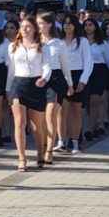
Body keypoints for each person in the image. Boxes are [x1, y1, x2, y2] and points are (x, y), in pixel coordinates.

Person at [6, 17, 52, 171]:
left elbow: (47, 67)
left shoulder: (43, 47)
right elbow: (11, 69)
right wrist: (7, 88)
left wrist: (44, 79)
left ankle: (40, 151)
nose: (25, 30)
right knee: (19, 122)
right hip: (18, 85)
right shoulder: (13, 46)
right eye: (22, 27)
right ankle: (22, 158)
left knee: (36, 126)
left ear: (34, 29)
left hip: (36, 85)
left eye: (28, 27)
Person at [38, 11, 73, 165]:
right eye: (37, 23)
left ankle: (49, 151)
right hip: (38, 79)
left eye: (41, 23)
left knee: (50, 115)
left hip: (56, 79)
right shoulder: (34, 42)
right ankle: (43, 145)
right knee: (41, 119)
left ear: (49, 24)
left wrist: (70, 84)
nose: (38, 26)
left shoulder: (59, 44)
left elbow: (65, 66)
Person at [60, 14, 92, 155]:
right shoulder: (59, 41)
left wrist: (83, 80)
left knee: (75, 110)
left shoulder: (82, 41)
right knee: (62, 109)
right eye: (65, 23)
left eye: (70, 23)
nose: (67, 26)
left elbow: (88, 63)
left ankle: (75, 141)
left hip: (77, 75)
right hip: (62, 77)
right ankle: (61, 140)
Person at [84, 18, 109, 141]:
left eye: (90, 25)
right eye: (86, 25)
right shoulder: (81, 42)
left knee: (95, 100)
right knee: (87, 102)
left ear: (95, 27)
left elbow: (108, 60)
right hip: (84, 71)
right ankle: (94, 124)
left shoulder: (102, 43)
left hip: (99, 71)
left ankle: (89, 129)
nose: (88, 27)